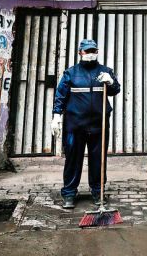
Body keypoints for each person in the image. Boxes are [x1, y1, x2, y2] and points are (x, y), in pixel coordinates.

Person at [52, 39, 121, 209]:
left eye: (93, 50)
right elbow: (61, 95)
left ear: (97, 51)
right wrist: (56, 115)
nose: (90, 54)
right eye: (87, 51)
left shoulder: (105, 71)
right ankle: (69, 193)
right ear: (80, 53)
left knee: (98, 160)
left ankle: (98, 191)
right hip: (75, 125)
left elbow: (115, 90)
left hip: (99, 124)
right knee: (73, 160)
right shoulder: (71, 73)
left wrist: (111, 82)